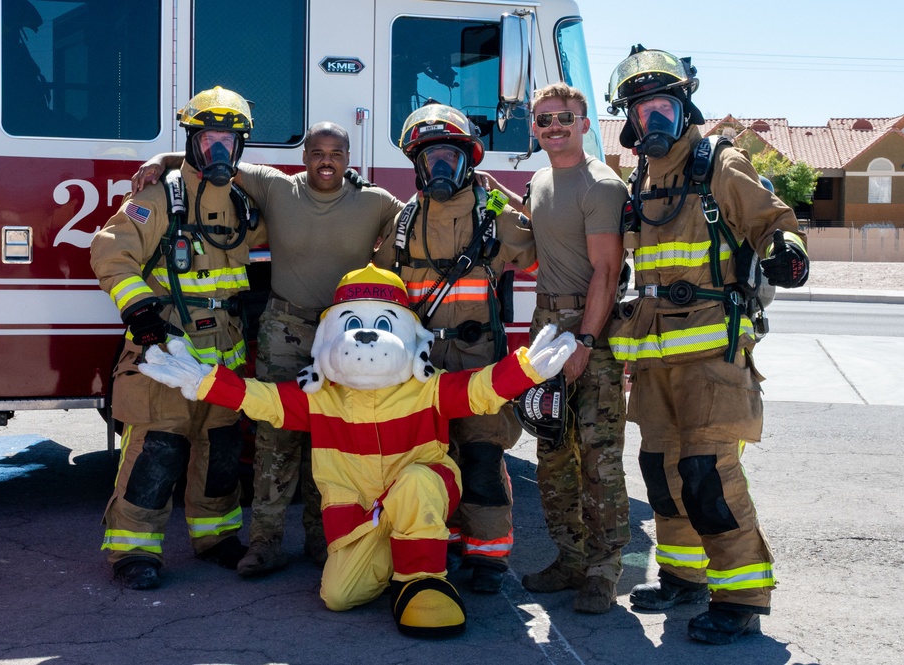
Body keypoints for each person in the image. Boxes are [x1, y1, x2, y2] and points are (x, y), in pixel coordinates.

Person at [137, 264, 577, 638]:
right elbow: (263, 398)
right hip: (360, 519)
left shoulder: (429, 388)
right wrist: (204, 382)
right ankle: (398, 557)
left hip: (419, 495)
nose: (366, 337)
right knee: (338, 596)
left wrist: (525, 370)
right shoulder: (320, 397)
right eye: (352, 325)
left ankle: (422, 580)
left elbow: (480, 390)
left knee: (419, 480)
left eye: (383, 325)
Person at [132, 122, 404, 576]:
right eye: (317, 151)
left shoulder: (374, 202)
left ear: (349, 157)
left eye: (336, 153)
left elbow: (418, 215)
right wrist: (160, 162)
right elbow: (214, 161)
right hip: (286, 326)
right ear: (304, 156)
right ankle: (265, 543)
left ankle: (327, 540)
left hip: (344, 333)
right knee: (275, 436)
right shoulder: (277, 187)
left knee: (332, 438)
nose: (326, 161)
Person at [605, 45, 809, 644]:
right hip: (655, 359)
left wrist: (787, 250)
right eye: (643, 111)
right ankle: (684, 576)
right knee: (662, 471)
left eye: (664, 105)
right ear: (630, 119)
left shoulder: (720, 162)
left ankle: (741, 596)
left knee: (707, 474)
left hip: (713, 358)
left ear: (684, 103)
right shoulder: (642, 178)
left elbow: (774, 220)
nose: (655, 120)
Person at [91, 86, 267, 589]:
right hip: (166, 352)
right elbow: (110, 252)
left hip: (222, 361)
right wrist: (140, 312)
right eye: (209, 139)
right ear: (192, 140)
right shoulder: (157, 198)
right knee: (157, 451)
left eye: (228, 142)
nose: (218, 151)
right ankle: (133, 551)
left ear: (239, 148)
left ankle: (214, 537)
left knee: (222, 451)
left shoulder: (243, 203)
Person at [372, 102, 538, 595]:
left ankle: (488, 559)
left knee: (483, 459)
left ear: (469, 159)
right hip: (420, 371)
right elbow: (376, 288)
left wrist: (517, 203)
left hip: (479, 366)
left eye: (449, 156)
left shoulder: (494, 217)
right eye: (429, 159)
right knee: (428, 462)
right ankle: (439, 544)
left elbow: (546, 255)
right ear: (416, 165)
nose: (439, 167)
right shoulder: (404, 223)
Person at [495, 83, 632, 614]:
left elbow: (607, 268)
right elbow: (544, 234)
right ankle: (570, 558)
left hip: (584, 326)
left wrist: (586, 341)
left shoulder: (601, 185)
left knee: (599, 456)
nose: (554, 127)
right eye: (544, 119)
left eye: (564, 118)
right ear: (535, 127)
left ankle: (603, 569)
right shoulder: (539, 180)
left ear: (584, 123)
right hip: (545, 326)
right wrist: (497, 196)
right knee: (552, 449)